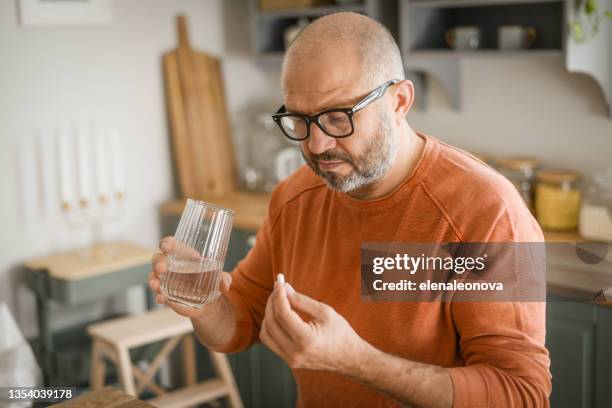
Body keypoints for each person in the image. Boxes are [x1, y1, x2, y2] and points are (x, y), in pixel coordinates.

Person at [149, 12, 551, 407]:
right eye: (300, 120)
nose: (317, 145)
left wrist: (356, 361)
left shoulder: (487, 210)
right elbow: (243, 320)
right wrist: (205, 306)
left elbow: (521, 394)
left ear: (399, 101)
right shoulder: (294, 197)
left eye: (338, 117)